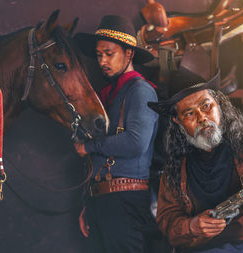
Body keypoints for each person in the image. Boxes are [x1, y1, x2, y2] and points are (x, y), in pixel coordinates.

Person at [147, 68, 243, 253]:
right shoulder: (175, 167)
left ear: (219, 104)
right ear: (177, 121)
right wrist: (192, 226)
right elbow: (168, 223)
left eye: (206, 106)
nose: (202, 118)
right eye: (189, 113)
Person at [73, 15, 158, 253]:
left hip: (126, 201)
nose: (102, 61)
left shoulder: (140, 91)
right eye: (99, 55)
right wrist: (89, 203)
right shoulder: (108, 93)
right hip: (103, 200)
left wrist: (88, 147)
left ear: (129, 53)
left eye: (109, 53)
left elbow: (135, 142)